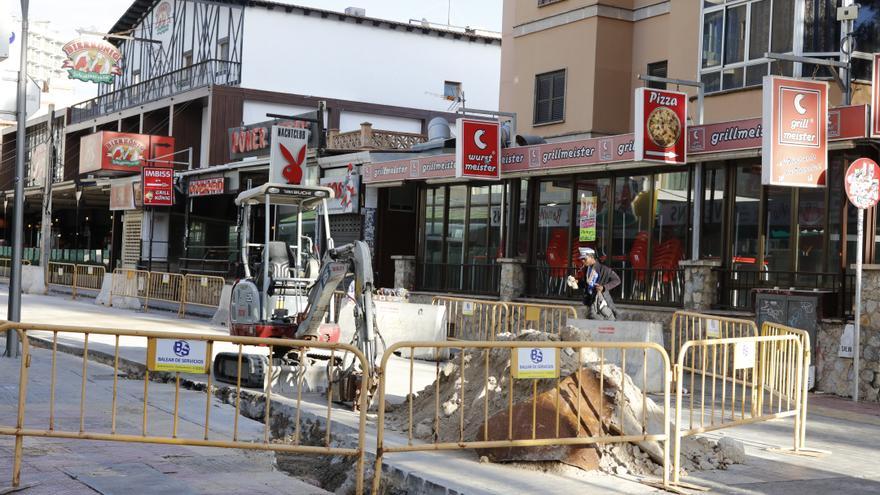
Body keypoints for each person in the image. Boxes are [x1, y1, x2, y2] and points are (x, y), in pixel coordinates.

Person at [567, 247, 620, 320]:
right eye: (581, 259)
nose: (582, 261)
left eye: (584, 259)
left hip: (601, 301)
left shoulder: (604, 269)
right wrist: (577, 282)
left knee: (604, 321)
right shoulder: (587, 269)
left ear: (591, 257)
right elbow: (587, 284)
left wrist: (604, 287)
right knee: (592, 320)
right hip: (590, 301)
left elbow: (617, 280)